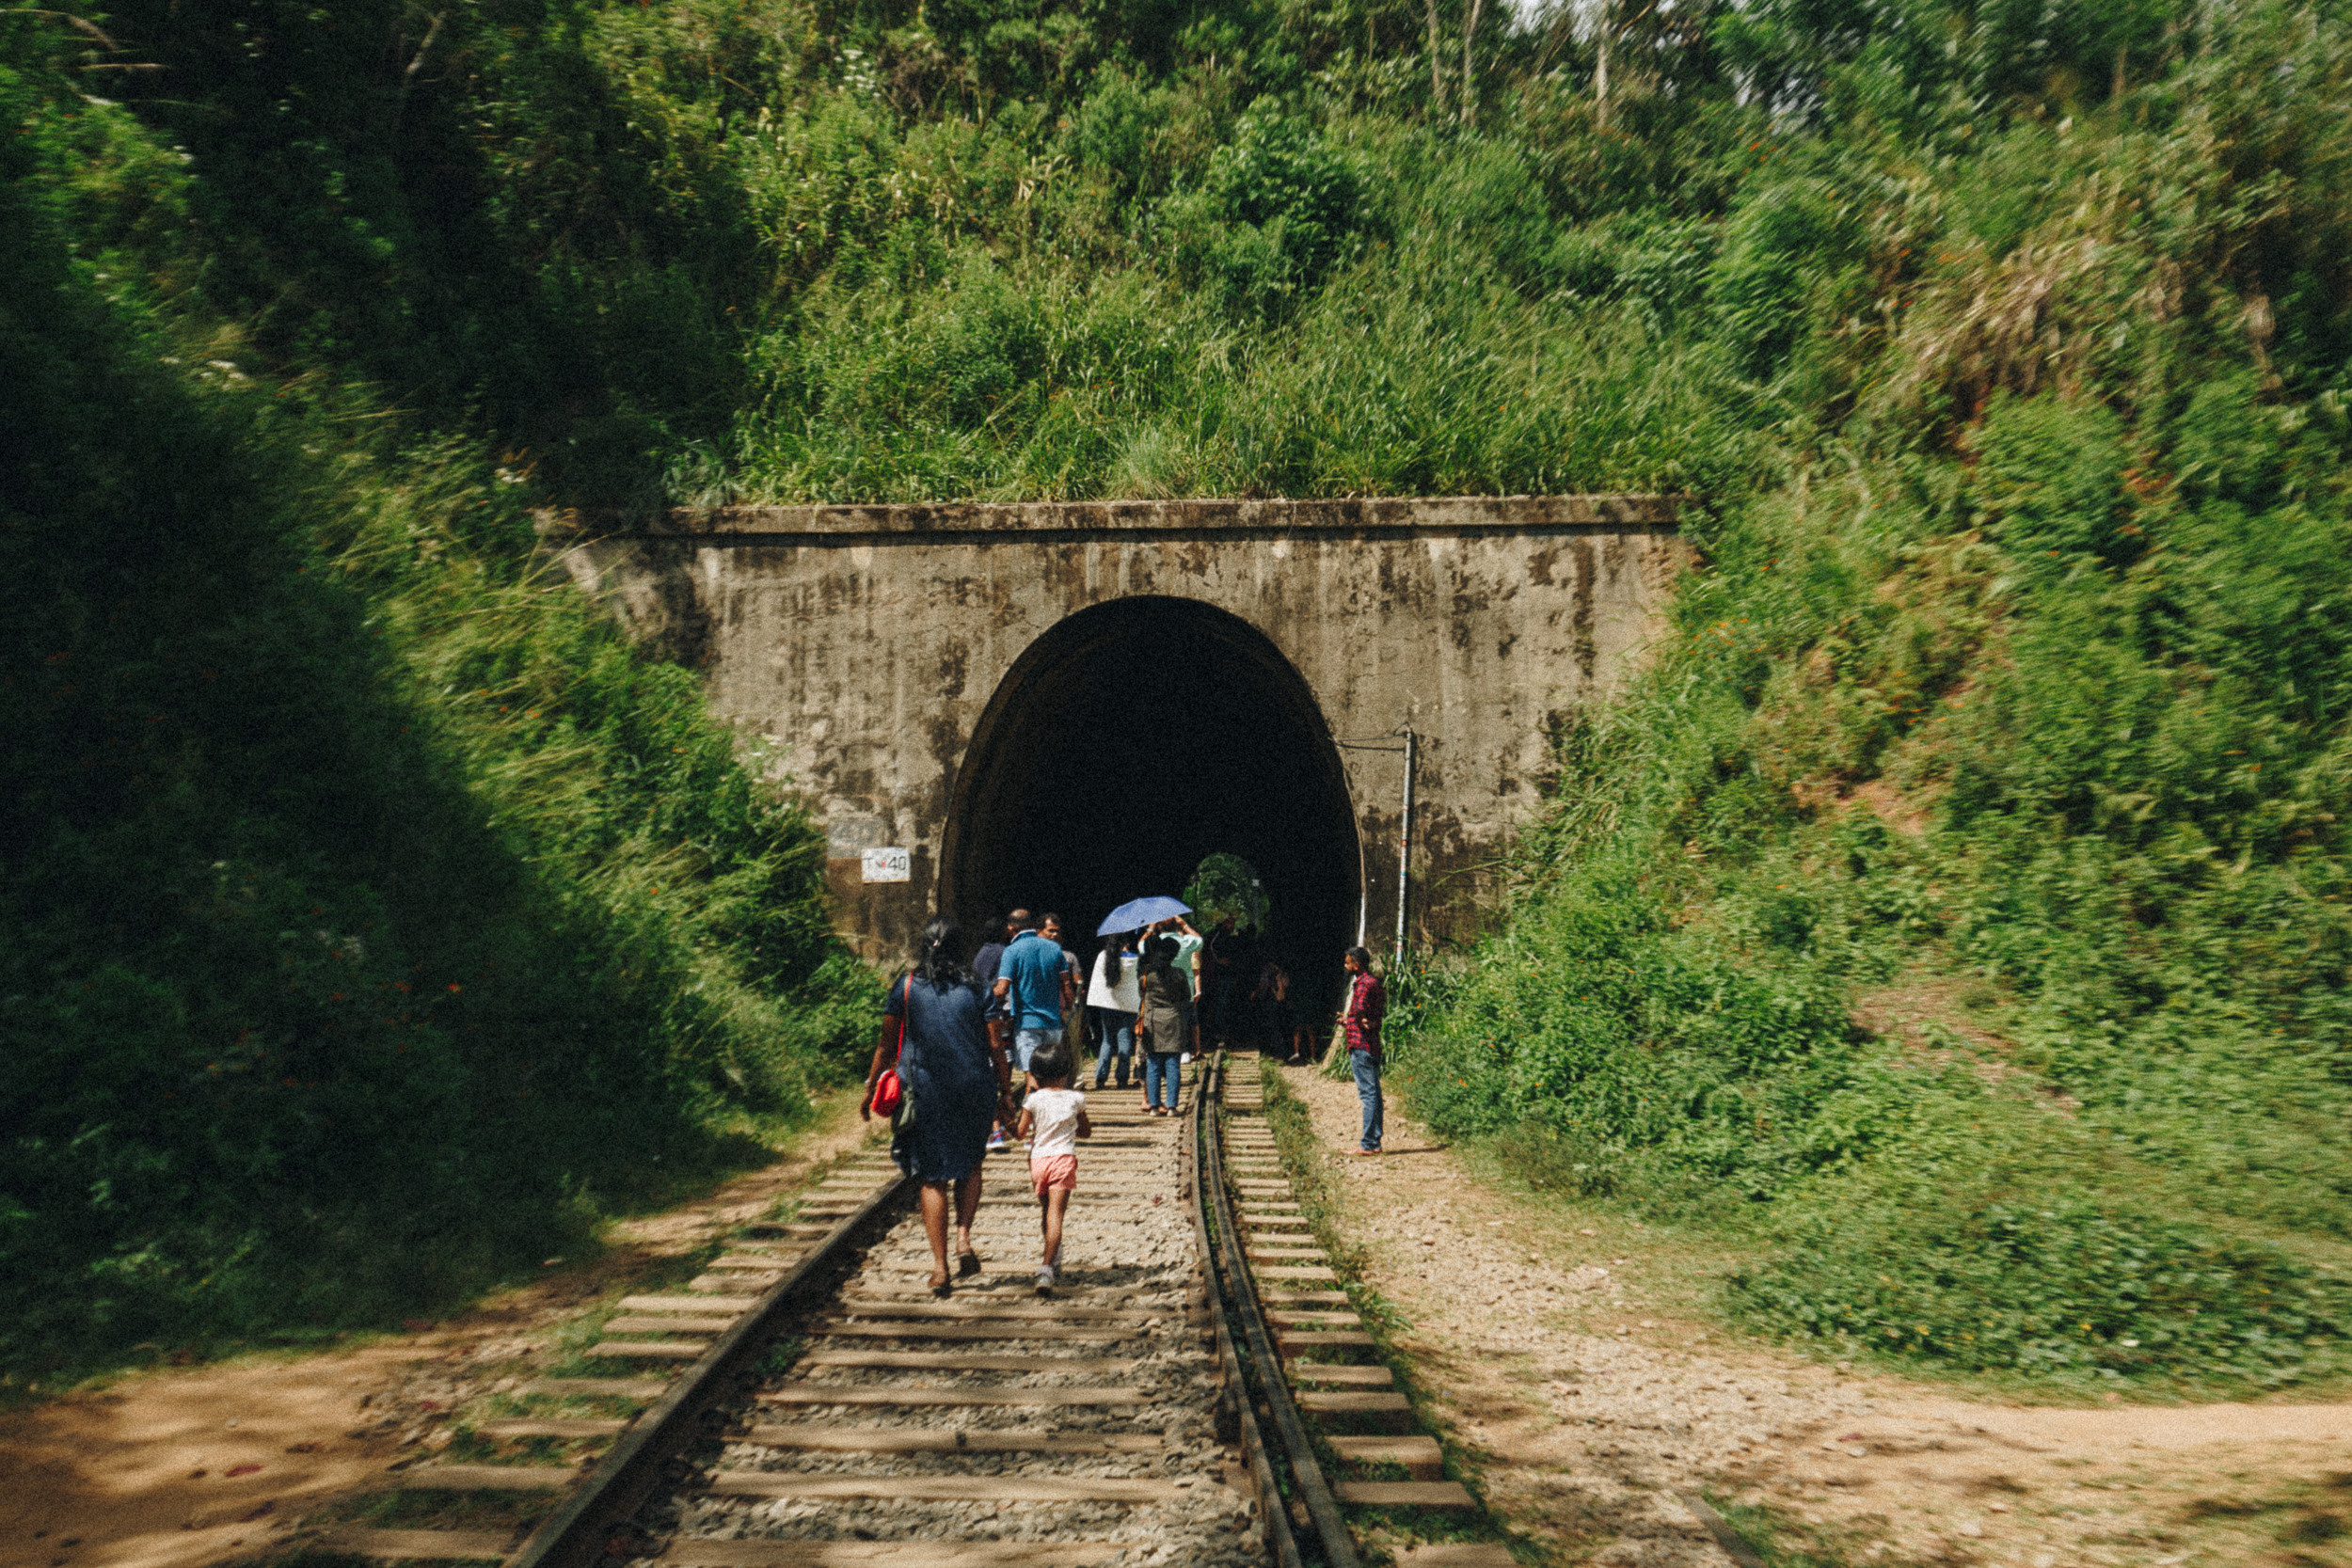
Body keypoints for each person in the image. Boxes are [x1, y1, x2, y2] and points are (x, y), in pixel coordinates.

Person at [863, 915, 1013, 1294]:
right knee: (970, 1162)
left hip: (924, 1089)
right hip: (973, 1087)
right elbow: (996, 1046)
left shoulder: (906, 986)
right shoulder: (978, 988)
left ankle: (940, 1268)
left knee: (932, 1176)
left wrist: (870, 1089)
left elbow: (885, 1043)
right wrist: (1005, 1093)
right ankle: (963, 1237)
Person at [1014, 1041, 1091, 1292]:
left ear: (1035, 1075)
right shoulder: (1076, 1098)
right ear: (1066, 1072)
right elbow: (1086, 1132)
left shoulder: (1032, 1100)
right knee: (1056, 1215)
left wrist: (1004, 1117)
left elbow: (1020, 1132)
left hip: (1038, 1162)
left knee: (1046, 1211)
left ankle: (1053, 1255)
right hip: (1062, 1160)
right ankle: (1046, 1268)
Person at [994, 912, 1068, 1085]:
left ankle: (1028, 1113)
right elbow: (1066, 985)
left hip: (1027, 1024)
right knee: (1054, 1076)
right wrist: (1068, 1008)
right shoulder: (1055, 949)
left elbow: (1002, 989)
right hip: (1053, 1023)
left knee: (1032, 1076)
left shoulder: (1011, 951)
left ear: (1010, 928)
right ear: (1034, 924)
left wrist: (980, 999)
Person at [1135, 934, 1194, 1117]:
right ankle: (1172, 1107)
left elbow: (1141, 994)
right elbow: (1186, 997)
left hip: (1152, 1022)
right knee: (1172, 1063)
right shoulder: (1179, 974)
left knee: (1153, 1063)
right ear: (1174, 955)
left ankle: (1153, 1106)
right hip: (1174, 1021)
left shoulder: (1146, 974)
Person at [1340, 945, 1386, 1155]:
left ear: (1357, 965)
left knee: (1368, 1095)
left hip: (1360, 1046)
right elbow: (1373, 1014)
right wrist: (1349, 1020)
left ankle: (1367, 1143)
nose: (1345, 965)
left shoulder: (1362, 984)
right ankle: (1375, 1141)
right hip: (1373, 1045)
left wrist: (1355, 1019)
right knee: (1375, 1093)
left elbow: (1359, 1010)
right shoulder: (1376, 982)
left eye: (1348, 962)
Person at [1088, 929, 1140, 1089]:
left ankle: (1100, 1079)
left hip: (1108, 1004)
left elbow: (1098, 980)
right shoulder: (1133, 959)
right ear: (1125, 943)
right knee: (1124, 1040)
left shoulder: (1103, 956)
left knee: (1107, 1041)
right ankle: (1122, 1079)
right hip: (1128, 1005)